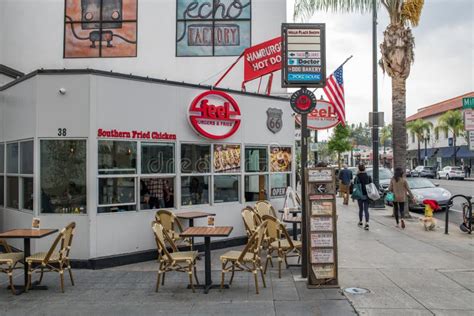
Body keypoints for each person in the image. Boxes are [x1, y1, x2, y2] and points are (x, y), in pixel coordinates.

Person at [354, 164, 372, 230]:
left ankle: (360, 221)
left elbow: (354, 186)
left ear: (359, 169)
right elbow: (371, 185)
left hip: (359, 194)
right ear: (365, 169)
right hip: (367, 194)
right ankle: (367, 223)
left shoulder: (357, 177)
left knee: (360, 209)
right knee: (366, 209)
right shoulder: (368, 176)